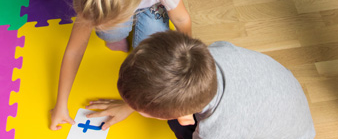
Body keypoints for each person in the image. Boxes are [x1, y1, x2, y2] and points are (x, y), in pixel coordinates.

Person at [48, 0, 192, 130]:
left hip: (151, 5)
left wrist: (187, 62)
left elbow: (182, 20)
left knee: (150, 57)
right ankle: (116, 39)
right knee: (112, 34)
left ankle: (124, 32)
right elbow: (74, 51)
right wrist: (60, 104)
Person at [86, 31, 315, 139]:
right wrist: (131, 103)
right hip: (278, 93)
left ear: (186, 116)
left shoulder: (219, 131)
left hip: (287, 132)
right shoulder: (202, 55)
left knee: (182, 132)